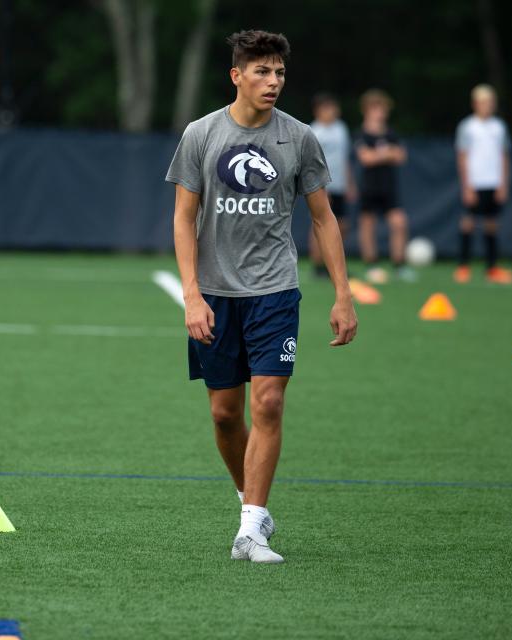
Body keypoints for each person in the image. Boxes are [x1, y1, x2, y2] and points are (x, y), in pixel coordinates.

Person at [166, 30, 357, 564]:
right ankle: (249, 498)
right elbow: (183, 219)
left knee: (268, 402)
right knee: (226, 415)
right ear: (236, 76)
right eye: (262, 72)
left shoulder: (299, 139)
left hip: (275, 290)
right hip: (215, 295)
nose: (273, 82)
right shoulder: (201, 135)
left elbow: (323, 218)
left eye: (279, 73)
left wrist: (343, 294)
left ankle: (251, 528)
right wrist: (191, 296)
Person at [454, 84, 512, 284]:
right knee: (468, 223)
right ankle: (463, 266)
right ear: (475, 104)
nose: (487, 106)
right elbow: (462, 157)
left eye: (490, 102)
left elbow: (504, 157)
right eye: (483, 102)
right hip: (475, 182)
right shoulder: (467, 126)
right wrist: (467, 186)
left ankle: (492, 267)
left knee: (491, 224)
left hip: (493, 182)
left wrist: (503, 184)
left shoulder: (499, 127)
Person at [355, 89, 414, 284]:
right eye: (376, 108)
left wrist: (380, 154)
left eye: (383, 109)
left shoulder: (391, 133)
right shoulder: (362, 134)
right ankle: (371, 265)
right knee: (367, 226)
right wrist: (387, 153)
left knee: (399, 223)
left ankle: (399, 265)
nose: (381, 112)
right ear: (367, 110)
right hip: (370, 187)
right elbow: (366, 158)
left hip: (389, 187)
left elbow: (401, 156)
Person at [309, 93, 356, 278]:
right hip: (322, 185)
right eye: (327, 108)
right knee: (320, 222)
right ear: (318, 110)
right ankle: (317, 264)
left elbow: (345, 159)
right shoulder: (313, 130)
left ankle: (335, 264)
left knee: (341, 225)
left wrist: (350, 183)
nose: (332, 111)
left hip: (340, 184)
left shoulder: (341, 129)